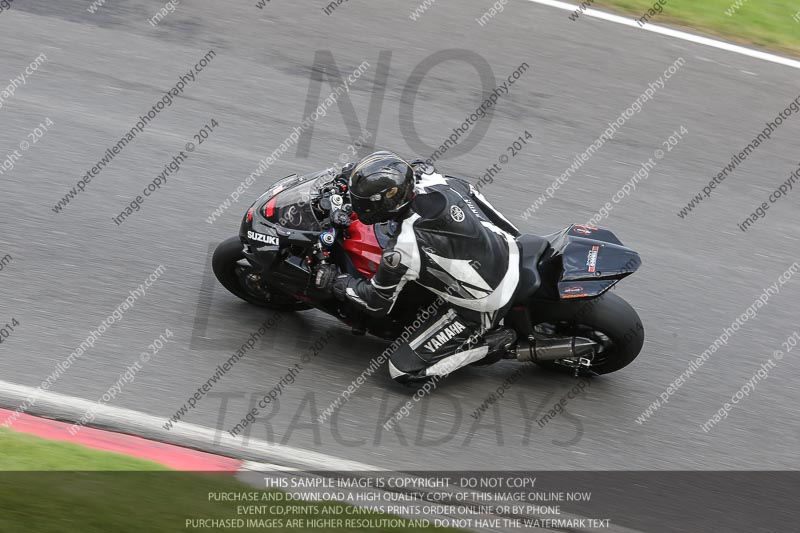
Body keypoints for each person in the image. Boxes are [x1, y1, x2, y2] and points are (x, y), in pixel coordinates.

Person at [314, 151, 521, 382]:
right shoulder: (431, 181)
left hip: (489, 299)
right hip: (509, 248)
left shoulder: (404, 247)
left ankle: (490, 344)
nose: (359, 206)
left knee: (403, 371)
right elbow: (415, 166)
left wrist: (335, 281)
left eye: (363, 203)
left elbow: (376, 302)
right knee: (461, 189)